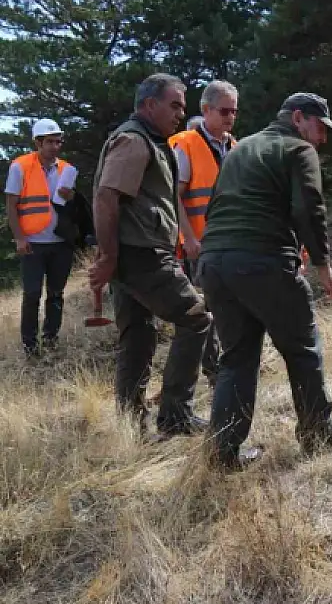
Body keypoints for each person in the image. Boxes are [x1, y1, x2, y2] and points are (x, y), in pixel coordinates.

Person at [198, 92, 332, 471]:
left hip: (215, 263)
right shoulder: (298, 150)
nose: (322, 138)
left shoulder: (239, 148)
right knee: (302, 347)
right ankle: (318, 431)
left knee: (236, 358)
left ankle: (223, 454)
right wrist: (324, 267)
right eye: (319, 127)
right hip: (260, 261)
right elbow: (308, 208)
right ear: (298, 118)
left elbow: (221, 204)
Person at [89, 73, 210, 437]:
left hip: (133, 253)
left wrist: (112, 257)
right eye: (174, 105)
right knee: (197, 319)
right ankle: (174, 416)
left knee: (138, 336)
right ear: (149, 104)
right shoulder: (134, 140)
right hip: (141, 255)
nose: (180, 113)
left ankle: (131, 426)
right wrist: (108, 256)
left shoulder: (150, 140)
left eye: (182, 107)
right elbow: (106, 197)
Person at [169, 79, 237, 386]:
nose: (230, 117)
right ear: (206, 109)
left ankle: (226, 363)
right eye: (224, 111)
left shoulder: (233, 146)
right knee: (205, 309)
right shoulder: (185, 144)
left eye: (234, 112)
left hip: (230, 242)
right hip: (200, 245)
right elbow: (175, 196)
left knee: (228, 306)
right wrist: (188, 239)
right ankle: (212, 370)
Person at [5, 118, 78, 358]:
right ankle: (29, 346)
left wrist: (70, 197)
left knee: (56, 293)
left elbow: (72, 207)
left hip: (60, 244)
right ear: (38, 142)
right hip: (33, 243)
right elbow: (11, 205)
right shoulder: (20, 166)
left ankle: (50, 340)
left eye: (58, 142)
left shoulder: (67, 169)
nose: (55, 146)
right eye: (50, 142)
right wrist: (19, 238)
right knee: (32, 294)